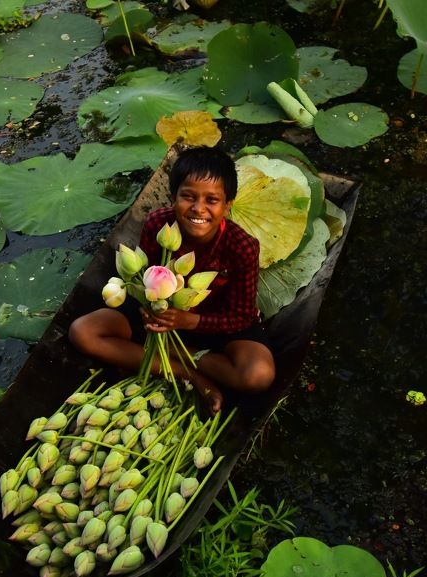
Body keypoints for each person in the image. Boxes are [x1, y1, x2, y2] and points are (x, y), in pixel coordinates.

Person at [69, 146, 275, 412]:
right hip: (163, 317)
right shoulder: (159, 225)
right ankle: (187, 373)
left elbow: (242, 317)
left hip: (218, 326)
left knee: (258, 375)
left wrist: (192, 321)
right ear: (173, 197)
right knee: (82, 332)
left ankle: (177, 352)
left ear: (227, 205)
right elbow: (148, 282)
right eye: (188, 197)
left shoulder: (242, 247)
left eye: (211, 200)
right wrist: (148, 310)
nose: (198, 209)